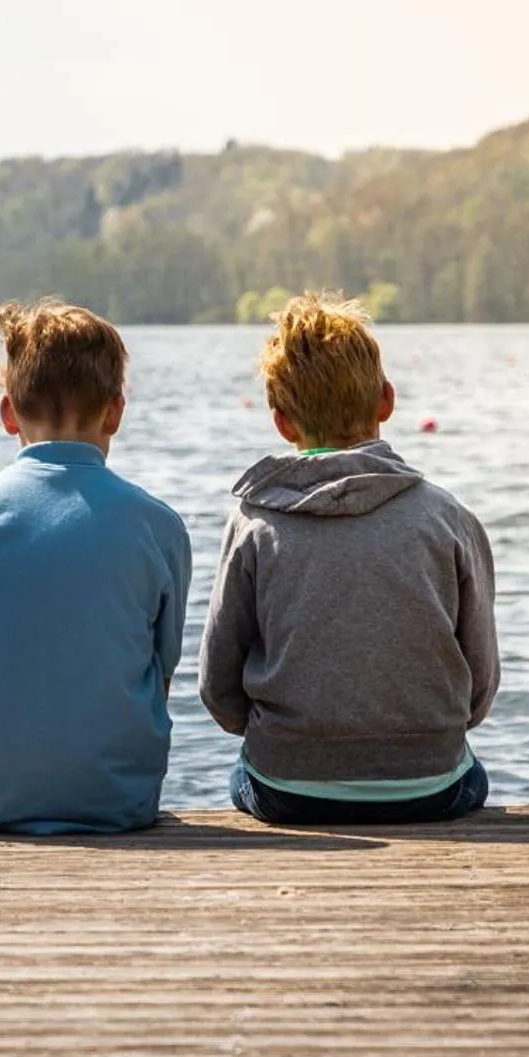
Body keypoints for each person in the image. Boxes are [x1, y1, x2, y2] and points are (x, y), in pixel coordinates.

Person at [199, 291, 499, 825]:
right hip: (429, 786)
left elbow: (217, 687)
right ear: (386, 400)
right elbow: (480, 684)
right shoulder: (449, 518)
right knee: (470, 777)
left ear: (282, 422)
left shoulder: (255, 523)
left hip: (288, 789)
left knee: (243, 778)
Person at [0, 299, 192, 833]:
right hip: (112, 798)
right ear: (116, 410)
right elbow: (162, 670)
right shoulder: (157, 526)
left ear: (8, 412)